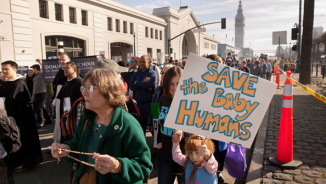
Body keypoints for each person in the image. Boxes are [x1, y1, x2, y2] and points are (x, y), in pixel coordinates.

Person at [51, 68, 153, 184]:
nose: (84, 93)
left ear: (108, 92)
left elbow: (144, 165)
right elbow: (78, 145)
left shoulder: (128, 123)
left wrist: (118, 166)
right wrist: (67, 149)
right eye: (83, 88)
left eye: (89, 88)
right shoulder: (87, 118)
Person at [0, 61, 43, 173]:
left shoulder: (19, 83)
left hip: (22, 119)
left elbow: (22, 104)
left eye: (6, 69)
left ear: (14, 70)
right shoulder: (7, 83)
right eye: (2, 69)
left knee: (22, 139)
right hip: (9, 119)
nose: (4, 71)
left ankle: (25, 162)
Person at [157, 66, 186, 184]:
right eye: (171, 84)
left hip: (185, 155)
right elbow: (158, 121)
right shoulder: (163, 98)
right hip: (165, 153)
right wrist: (158, 141)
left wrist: (183, 134)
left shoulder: (190, 101)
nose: (175, 88)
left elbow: (198, 131)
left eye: (179, 83)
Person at [129, 55, 157, 134]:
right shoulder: (136, 74)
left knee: (151, 126)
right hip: (138, 104)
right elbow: (131, 86)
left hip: (148, 104)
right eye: (140, 62)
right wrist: (143, 82)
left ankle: (155, 144)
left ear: (149, 62)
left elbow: (150, 85)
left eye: (143, 61)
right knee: (140, 127)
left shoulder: (152, 73)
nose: (141, 63)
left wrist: (137, 82)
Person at [56, 62, 83, 140]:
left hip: (75, 116)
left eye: (67, 68)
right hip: (66, 116)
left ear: (74, 70)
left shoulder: (79, 82)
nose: (65, 70)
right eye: (64, 68)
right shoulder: (65, 84)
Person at [53, 52, 70, 142]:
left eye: (63, 59)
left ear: (68, 60)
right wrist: (55, 101)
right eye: (60, 59)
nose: (61, 61)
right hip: (59, 99)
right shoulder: (60, 71)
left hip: (67, 100)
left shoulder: (72, 71)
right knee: (59, 120)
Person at [31, 64, 47, 128]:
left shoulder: (41, 74)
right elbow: (34, 86)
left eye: (32, 69)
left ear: (35, 69)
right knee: (40, 107)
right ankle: (48, 119)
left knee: (39, 108)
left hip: (42, 93)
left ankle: (41, 122)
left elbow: (45, 69)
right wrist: (33, 95)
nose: (32, 71)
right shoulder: (35, 76)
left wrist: (40, 62)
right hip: (37, 93)